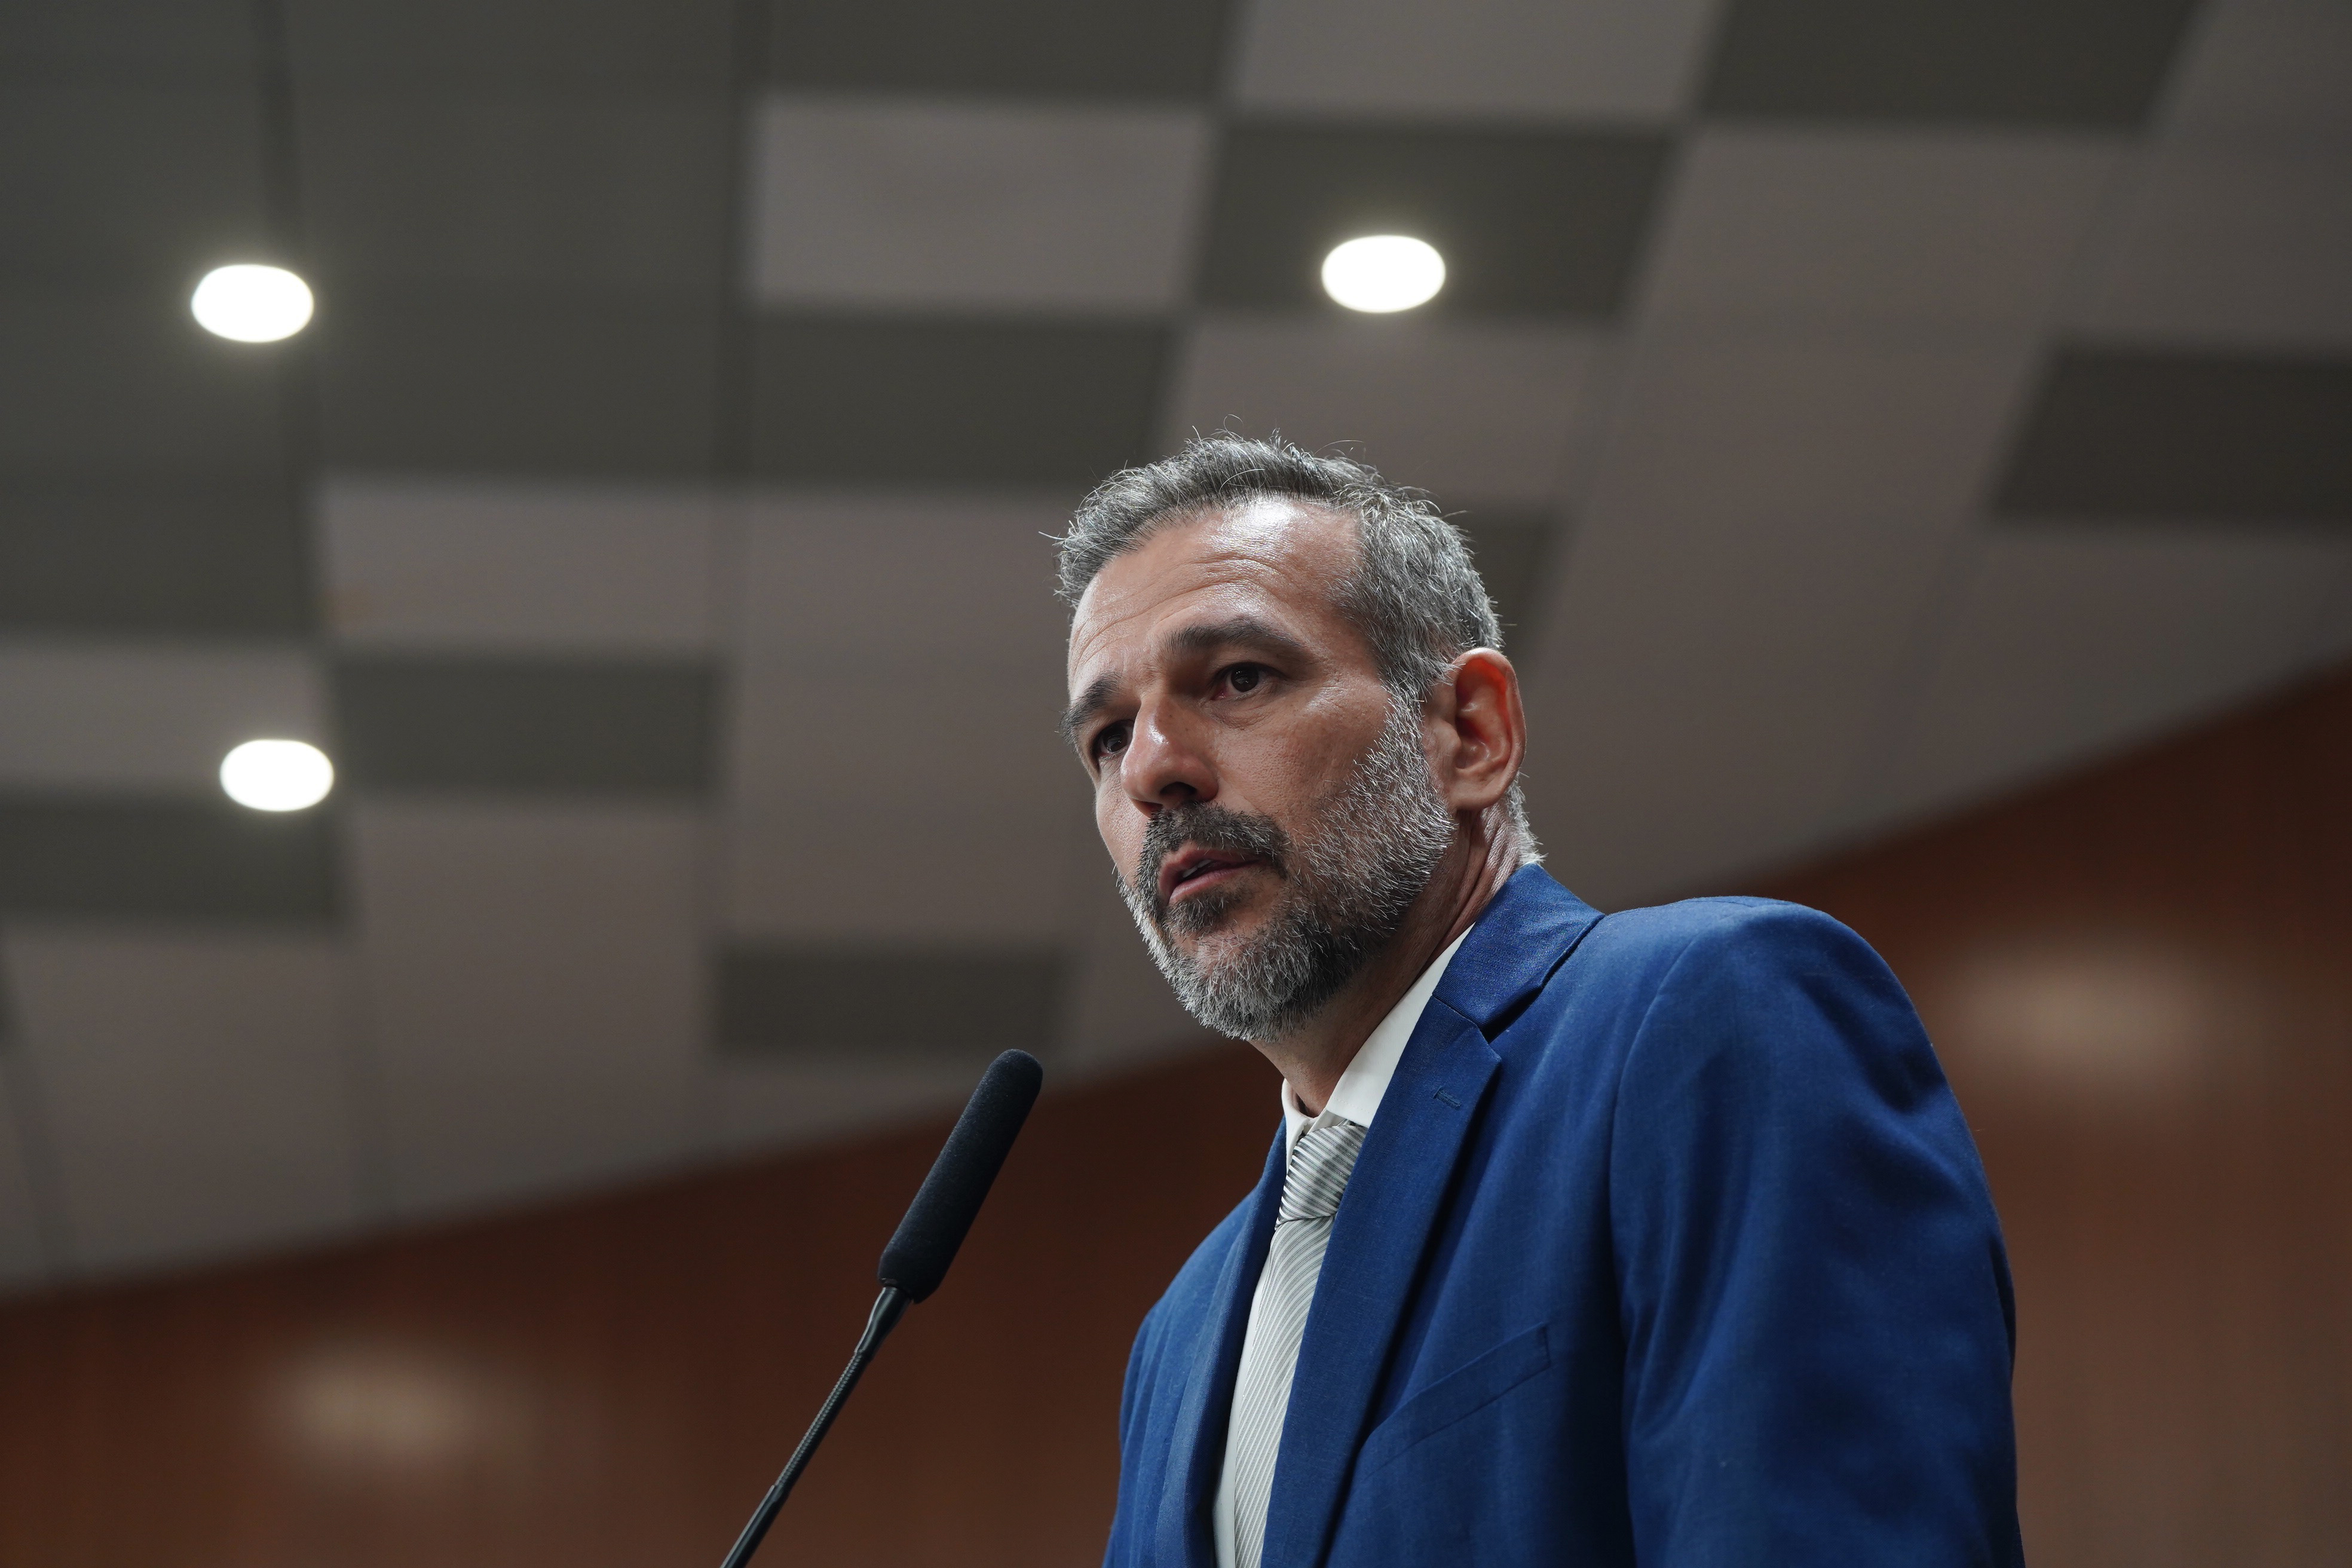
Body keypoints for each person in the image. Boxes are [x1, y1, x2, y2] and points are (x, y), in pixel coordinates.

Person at [1057, 434, 2023, 1567]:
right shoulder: (1178, 1340)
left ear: (1472, 733)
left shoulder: (1712, 1019)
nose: (1151, 770)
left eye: (1238, 679)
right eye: (1107, 737)